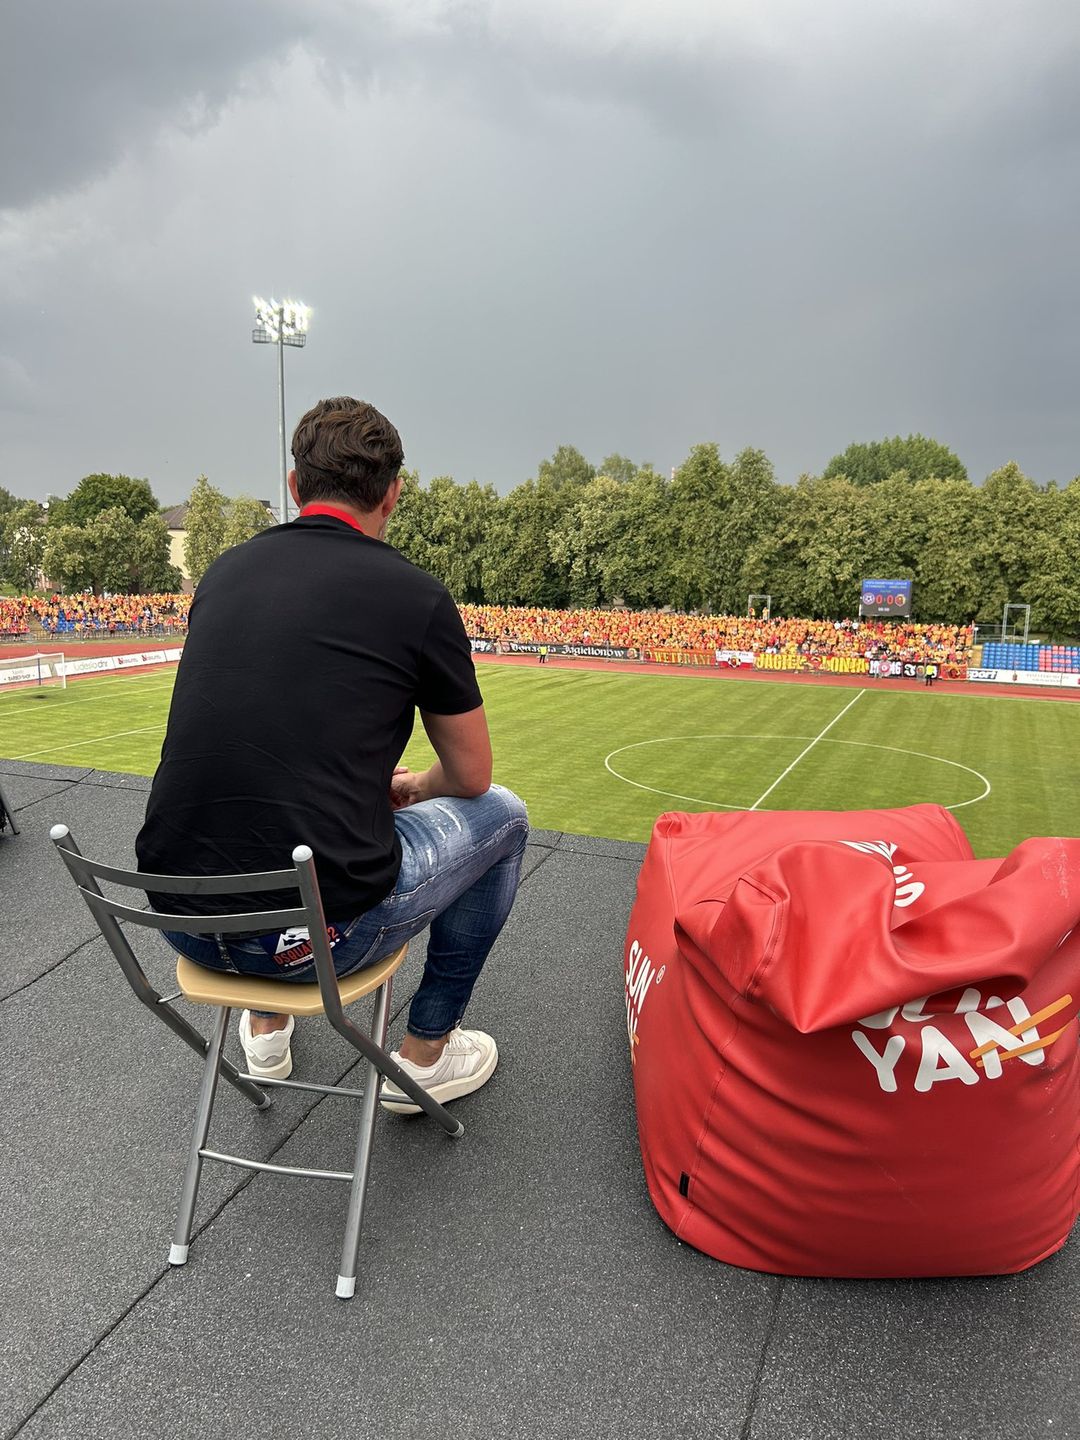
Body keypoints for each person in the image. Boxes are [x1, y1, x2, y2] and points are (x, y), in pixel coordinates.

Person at [136, 397, 529, 1113]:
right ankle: (426, 1056)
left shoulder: (222, 574)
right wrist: (414, 786)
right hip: (317, 938)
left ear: (295, 486)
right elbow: (472, 775)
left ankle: (265, 1030)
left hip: (184, 923)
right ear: (393, 494)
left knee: (256, 825)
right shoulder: (417, 597)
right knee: (505, 815)